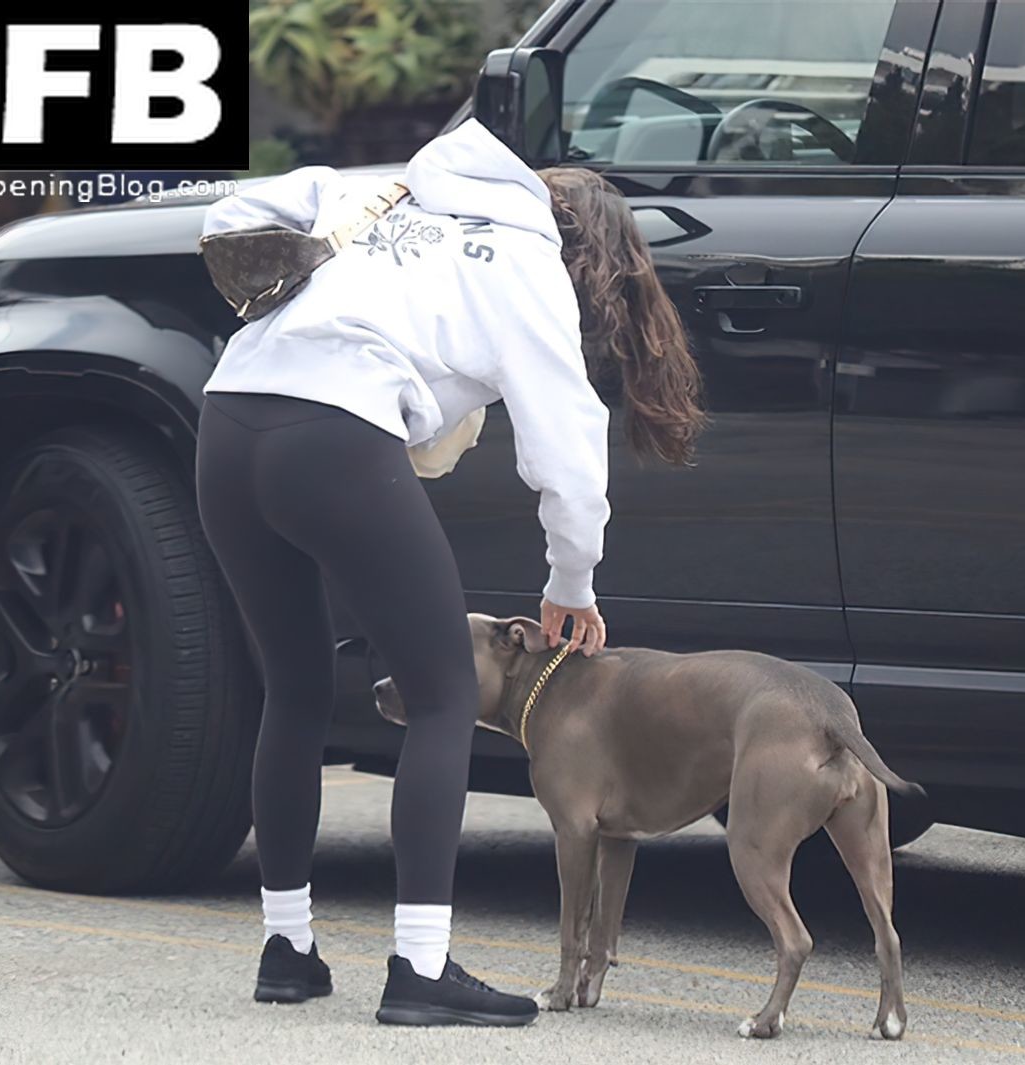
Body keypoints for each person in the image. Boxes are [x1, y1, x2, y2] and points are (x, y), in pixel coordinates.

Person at [194, 118, 704, 1026]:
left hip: (227, 423)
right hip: (334, 436)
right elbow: (567, 446)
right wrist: (572, 583)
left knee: (295, 688)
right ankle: (420, 969)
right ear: (591, 253)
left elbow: (230, 214)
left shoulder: (386, 188)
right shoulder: (527, 261)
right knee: (442, 695)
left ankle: (288, 950)